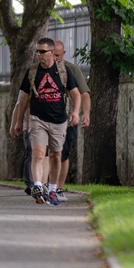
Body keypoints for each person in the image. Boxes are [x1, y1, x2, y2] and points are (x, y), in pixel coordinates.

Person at [10, 37, 80, 205]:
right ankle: (38, 186)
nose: (39, 55)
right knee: (38, 153)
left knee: (56, 155)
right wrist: (18, 122)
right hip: (37, 119)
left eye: (42, 52)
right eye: (37, 51)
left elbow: (76, 94)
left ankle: (53, 190)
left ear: (51, 53)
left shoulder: (63, 71)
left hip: (59, 120)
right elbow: (24, 99)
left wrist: (76, 112)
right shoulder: (32, 71)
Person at [52, 40, 90, 203]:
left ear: (64, 54)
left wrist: (84, 114)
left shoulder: (71, 70)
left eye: (58, 56)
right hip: (44, 119)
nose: (54, 59)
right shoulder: (39, 69)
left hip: (65, 120)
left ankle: (58, 188)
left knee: (62, 154)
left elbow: (84, 93)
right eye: (51, 55)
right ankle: (47, 187)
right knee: (45, 154)